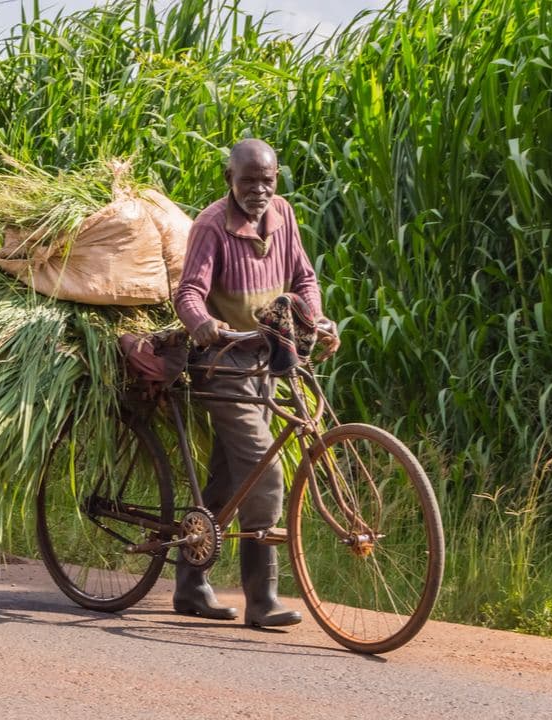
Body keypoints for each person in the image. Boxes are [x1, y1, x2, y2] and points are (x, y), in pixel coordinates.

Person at [171, 138, 339, 628]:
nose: (258, 190)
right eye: (248, 181)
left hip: (267, 359)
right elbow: (189, 292)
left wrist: (314, 318)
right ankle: (262, 598)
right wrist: (203, 323)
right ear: (230, 179)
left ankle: (190, 584)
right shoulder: (211, 226)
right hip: (222, 364)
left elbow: (304, 279)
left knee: (231, 477)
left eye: (267, 181)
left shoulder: (282, 215)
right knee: (265, 469)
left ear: (276, 179)